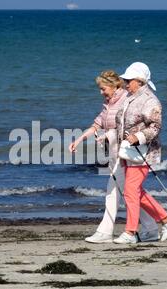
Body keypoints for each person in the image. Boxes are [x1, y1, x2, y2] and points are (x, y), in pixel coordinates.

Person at [68, 70, 160, 243]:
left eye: (103, 89)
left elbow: (124, 128)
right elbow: (98, 124)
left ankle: (105, 231)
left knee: (115, 193)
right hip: (115, 154)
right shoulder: (108, 104)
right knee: (131, 194)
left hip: (127, 153)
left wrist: (108, 135)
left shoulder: (126, 100)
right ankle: (152, 228)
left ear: (114, 86)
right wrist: (79, 140)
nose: (101, 92)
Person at [113, 62, 167, 244]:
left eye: (128, 80)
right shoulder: (129, 96)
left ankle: (130, 232)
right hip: (128, 151)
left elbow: (155, 127)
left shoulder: (150, 100)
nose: (125, 83)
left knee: (130, 191)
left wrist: (138, 137)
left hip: (144, 152)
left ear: (140, 81)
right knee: (134, 191)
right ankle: (166, 219)